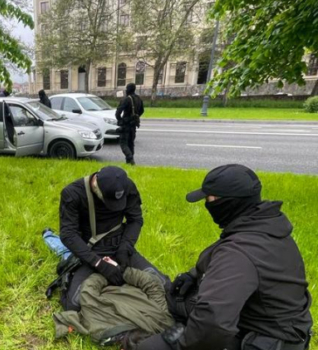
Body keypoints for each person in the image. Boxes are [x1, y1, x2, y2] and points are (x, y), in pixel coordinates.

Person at [132, 164, 313, 350]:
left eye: (210, 199)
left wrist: (177, 342)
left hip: (265, 341)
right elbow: (244, 266)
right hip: (280, 328)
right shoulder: (266, 228)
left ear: (226, 203)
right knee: (178, 299)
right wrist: (194, 275)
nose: (207, 205)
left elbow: (212, 325)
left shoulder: (238, 253)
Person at [53, 166, 145, 311]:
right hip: (91, 252)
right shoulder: (73, 193)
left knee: (163, 285)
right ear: (95, 185)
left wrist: (125, 248)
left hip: (119, 245)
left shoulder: (126, 186)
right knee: (74, 304)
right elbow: (68, 234)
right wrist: (99, 264)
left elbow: (135, 220)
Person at [116, 83, 144, 165]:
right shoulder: (139, 99)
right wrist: (136, 116)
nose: (125, 90)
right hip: (133, 125)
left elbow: (118, 113)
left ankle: (130, 159)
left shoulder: (126, 99)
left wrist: (121, 120)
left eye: (126, 88)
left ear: (128, 89)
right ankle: (129, 162)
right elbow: (142, 111)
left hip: (126, 125)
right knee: (131, 143)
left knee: (123, 143)